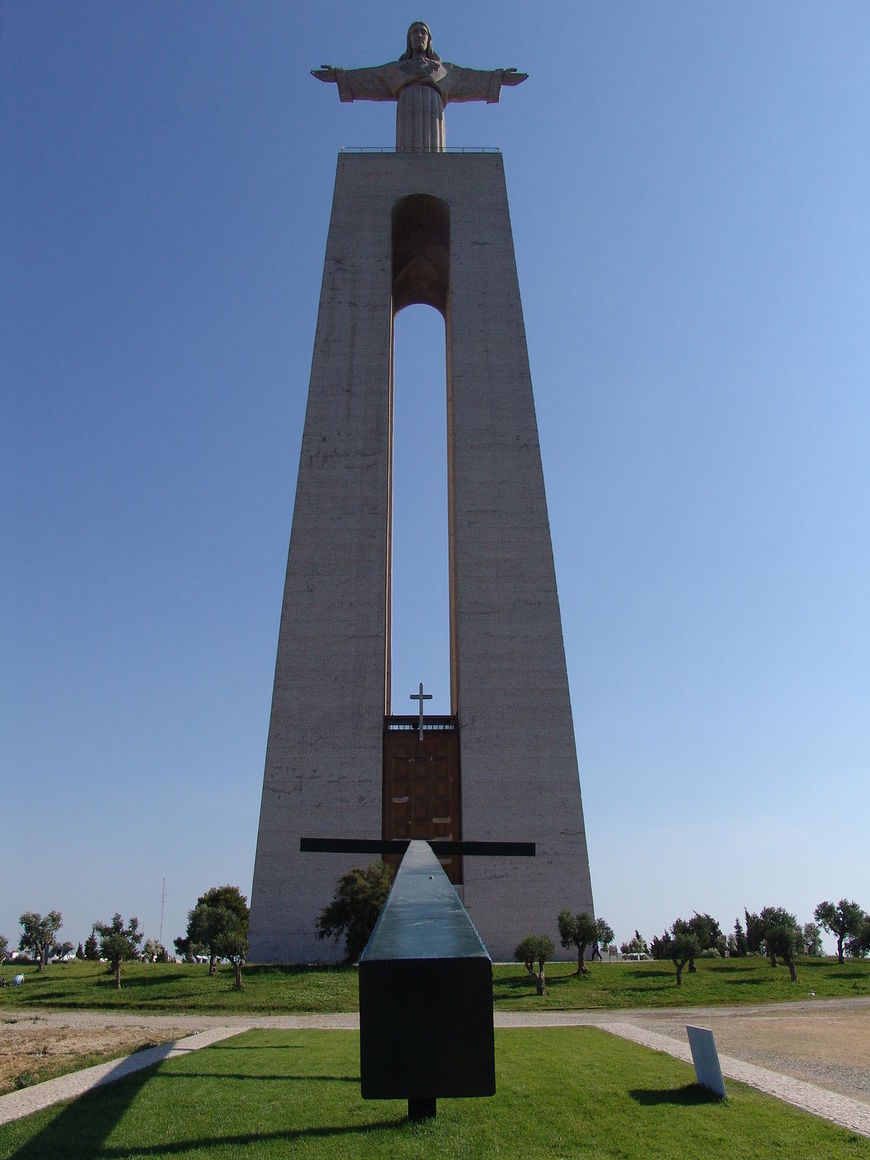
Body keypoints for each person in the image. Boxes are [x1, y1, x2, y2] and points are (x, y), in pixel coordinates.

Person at [312, 22, 527, 152]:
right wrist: (339, 76)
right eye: (414, 33)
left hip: (434, 109)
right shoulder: (397, 69)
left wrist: (499, 78)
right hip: (407, 106)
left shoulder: (444, 70)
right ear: (409, 40)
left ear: (429, 40)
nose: (419, 36)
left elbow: (470, 78)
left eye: (423, 33)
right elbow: (370, 77)